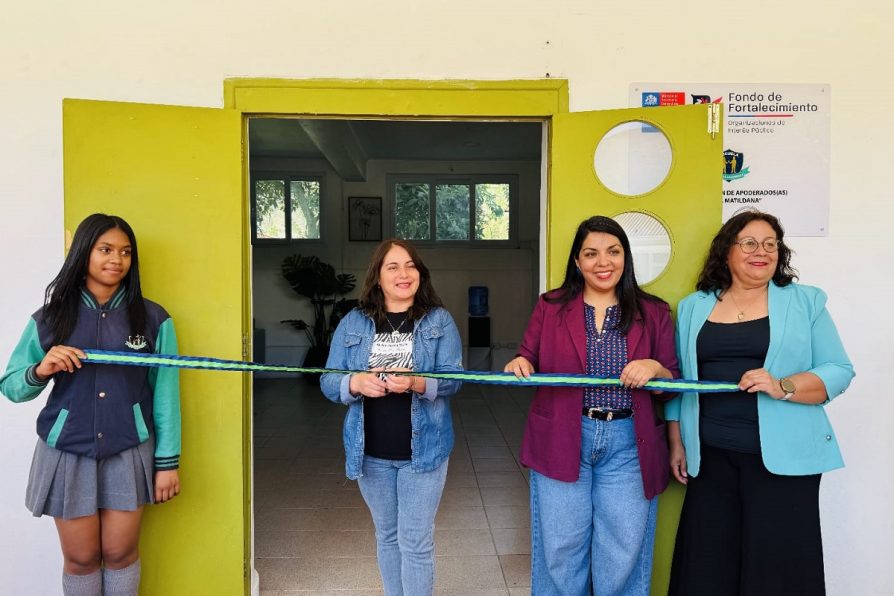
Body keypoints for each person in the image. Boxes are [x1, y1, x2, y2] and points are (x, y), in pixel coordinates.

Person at [666, 210, 855, 595]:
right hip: (711, 459)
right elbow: (682, 379)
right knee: (707, 568)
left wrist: (782, 384)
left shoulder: (806, 302)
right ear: (726, 252)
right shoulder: (693, 307)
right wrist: (676, 440)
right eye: (750, 243)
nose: (762, 252)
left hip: (784, 462)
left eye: (771, 244)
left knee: (777, 573)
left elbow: (838, 370)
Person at [0, 214, 181, 596]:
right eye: (105, 249)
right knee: (81, 558)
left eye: (125, 252)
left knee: (120, 552)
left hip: (128, 449)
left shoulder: (154, 319)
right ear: (84, 254)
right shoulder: (50, 318)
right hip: (67, 452)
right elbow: (13, 387)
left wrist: (167, 463)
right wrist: (41, 368)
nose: (116, 259)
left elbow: (165, 394)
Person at [504, 215, 679, 595]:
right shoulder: (550, 306)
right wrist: (520, 363)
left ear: (625, 257)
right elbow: (527, 356)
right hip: (562, 436)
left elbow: (672, 385)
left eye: (613, 252)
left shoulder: (654, 311)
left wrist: (655, 367)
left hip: (630, 444)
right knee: (561, 549)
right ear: (577, 262)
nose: (604, 262)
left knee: (622, 550)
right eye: (591, 253)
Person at [320, 239, 462, 596]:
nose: (403, 274)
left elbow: (453, 379)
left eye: (410, 265)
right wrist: (354, 382)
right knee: (387, 535)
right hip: (370, 451)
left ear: (420, 273)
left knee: (414, 541)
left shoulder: (438, 320)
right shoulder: (353, 322)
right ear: (377, 277)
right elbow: (327, 380)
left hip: (424, 452)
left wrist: (415, 381)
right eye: (393, 267)